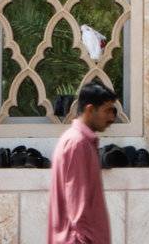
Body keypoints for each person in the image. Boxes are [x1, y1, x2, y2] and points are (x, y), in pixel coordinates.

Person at [47, 81, 117, 244]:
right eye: (107, 111)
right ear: (90, 110)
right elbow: (77, 210)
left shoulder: (81, 142)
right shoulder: (77, 144)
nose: (111, 117)